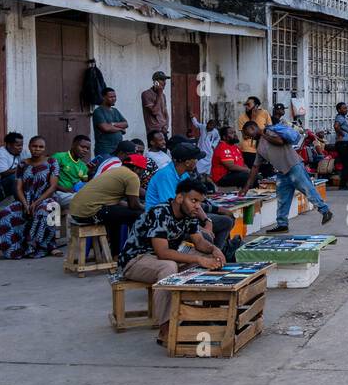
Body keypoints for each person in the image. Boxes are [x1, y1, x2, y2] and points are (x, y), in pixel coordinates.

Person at [116, 176, 226, 345]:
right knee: (168, 267)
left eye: (199, 202)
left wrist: (214, 250)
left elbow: (199, 241)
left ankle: (204, 315)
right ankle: (165, 330)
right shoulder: (160, 212)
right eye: (193, 200)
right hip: (135, 260)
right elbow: (162, 252)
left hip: (161, 259)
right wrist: (197, 258)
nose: (197, 206)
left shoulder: (190, 214)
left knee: (208, 260)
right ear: (180, 197)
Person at [241, 124, 334, 227]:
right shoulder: (259, 146)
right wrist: (246, 186)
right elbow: (255, 167)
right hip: (282, 172)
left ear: (253, 128)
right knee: (282, 199)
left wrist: (263, 134)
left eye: (248, 133)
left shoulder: (268, 132)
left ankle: (325, 211)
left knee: (307, 189)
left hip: (293, 165)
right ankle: (282, 224)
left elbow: (280, 141)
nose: (249, 137)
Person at [0, 135, 61, 260]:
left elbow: (53, 187)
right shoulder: (23, 164)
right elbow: (18, 187)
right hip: (26, 200)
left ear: (44, 149)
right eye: (34, 146)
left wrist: (37, 202)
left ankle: (42, 246)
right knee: (5, 213)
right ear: (29, 147)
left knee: (46, 210)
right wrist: (25, 204)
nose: (37, 149)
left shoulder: (52, 162)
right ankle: (14, 248)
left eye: (41, 147)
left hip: (47, 198)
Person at [69, 154, 145, 257]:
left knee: (117, 217)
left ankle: (116, 255)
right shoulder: (132, 176)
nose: (142, 174)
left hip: (76, 211)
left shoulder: (114, 171)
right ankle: (133, 252)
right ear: (137, 168)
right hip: (89, 213)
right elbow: (134, 205)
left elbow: (116, 201)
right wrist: (147, 207)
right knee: (139, 215)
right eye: (142, 171)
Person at [90, 88, 129, 159]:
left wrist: (113, 124)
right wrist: (120, 129)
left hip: (117, 149)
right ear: (103, 97)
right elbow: (106, 128)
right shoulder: (98, 111)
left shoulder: (115, 111)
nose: (114, 99)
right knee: (106, 169)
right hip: (105, 149)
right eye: (111, 97)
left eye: (115, 96)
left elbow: (126, 124)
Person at [0, 132, 24, 203]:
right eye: (18, 145)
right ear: (9, 145)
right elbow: (4, 173)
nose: (20, 148)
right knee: (15, 178)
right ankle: (20, 203)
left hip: (7, 184)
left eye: (21, 145)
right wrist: (22, 167)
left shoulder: (19, 152)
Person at [240, 97, 271, 168]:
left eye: (248, 105)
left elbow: (269, 129)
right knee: (252, 171)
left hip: (263, 148)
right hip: (249, 150)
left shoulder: (264, 113)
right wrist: (253, 119)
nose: (246, 107)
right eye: (246, 105)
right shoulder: (242, 117)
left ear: (256, 106)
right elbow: (245, 136)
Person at [142, 71, 169, 136]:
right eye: (162, 80)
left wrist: (166, 126)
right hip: (153, 131)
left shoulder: (163, 95)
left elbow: (165, 113)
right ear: (155, 82)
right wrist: (159, 94)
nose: (164, 83)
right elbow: (154, 112)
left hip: (163, 130)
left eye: (165, 80)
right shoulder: (146, 94)